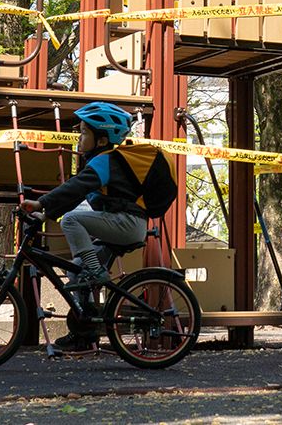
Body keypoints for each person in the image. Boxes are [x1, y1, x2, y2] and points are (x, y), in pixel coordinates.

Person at [20, 101, 177, 349]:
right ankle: (85, 332)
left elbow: (75, 187)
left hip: (126, 223)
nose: (78, 138)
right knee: (76, 270)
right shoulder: (104, 162)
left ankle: (96, 271)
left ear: (102, 140)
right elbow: (77, 195)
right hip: (125, 224)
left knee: (72, 222)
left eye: (84, 133)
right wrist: (45, 214)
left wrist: (41, 204)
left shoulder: (106, 161)